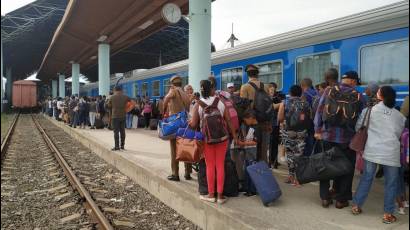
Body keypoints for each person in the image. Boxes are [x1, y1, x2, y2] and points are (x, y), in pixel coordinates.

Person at [351, 86, 405, 224]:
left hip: (372, 150)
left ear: (380, 96)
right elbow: (398, 134)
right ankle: (388, 214)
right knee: (391, 184)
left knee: (367, 178)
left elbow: (358, 127)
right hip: (391, 153)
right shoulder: (400, 116)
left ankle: (356, 206)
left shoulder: (369, 111)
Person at [314, 70, 364, 209]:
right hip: (347, 139)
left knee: (325, 165)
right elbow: (361, 119)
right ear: (353, 81)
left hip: (327, 136)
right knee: (346, 168)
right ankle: (341, 200)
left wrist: (317, 130)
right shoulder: (358, 96)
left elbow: (319, 112)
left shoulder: (328, 90)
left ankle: (325, 198)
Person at [189, 80, 237, 204]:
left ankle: (211, 195)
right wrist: (235, 136)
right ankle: (220, 196)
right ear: (211, 89)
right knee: (220, 165)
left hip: (207, 140)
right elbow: (229, 121)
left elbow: (193, 124)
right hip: (222, 139)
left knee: (210, 166)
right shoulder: (220, 102)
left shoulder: (198, 104)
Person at [278, 85, 311, 186]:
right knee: (299, 154)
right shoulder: (306, 103)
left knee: (290, 154)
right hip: (302, 132)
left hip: (289, 132)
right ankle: (298, 178)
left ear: (290, 92)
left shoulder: (285, 103)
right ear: (301, 93)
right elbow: (310, 117)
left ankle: (291, 176)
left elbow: (280, 118)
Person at [240, 64, 272, 163]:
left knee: (251, 150)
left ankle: (252, 175)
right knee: (263, 151)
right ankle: (263, 174)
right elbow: (269, 105)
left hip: (251, 124)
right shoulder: (265, 86)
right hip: (265, 122)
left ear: (247, 74)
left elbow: (243, 107)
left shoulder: (245, 87)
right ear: (257, 74)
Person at [163, 75, 192, 181]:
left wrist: (164, 110)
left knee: (174, 148)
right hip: (185, 123)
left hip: (175, 123)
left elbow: (166, 98)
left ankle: (175, 174)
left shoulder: (174, 91)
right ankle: (188, 172)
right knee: (185, 147)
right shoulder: (185, 93)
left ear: (172, 84)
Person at [107, 86, 130, 151]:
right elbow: (133, 103)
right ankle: (122, 146)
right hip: (123, 116)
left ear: (115, 90)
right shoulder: (125, 97)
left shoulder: (112, 97)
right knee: (122, 131)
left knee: (116, 132)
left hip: (115, 116)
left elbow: (109, 106)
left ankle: (117, 147)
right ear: (121, 90)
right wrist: (128, 109)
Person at [268, 82, 285, 168]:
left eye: (273, 89)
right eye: (271, 89)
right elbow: (273, 107)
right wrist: (281, 104)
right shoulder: (267, 98)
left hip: (276, 122)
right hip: (270, 123)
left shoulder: (277, 97)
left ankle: (275, 161)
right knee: (271, 143)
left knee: (275, 143)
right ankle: (270, 161)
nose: (272, 91)